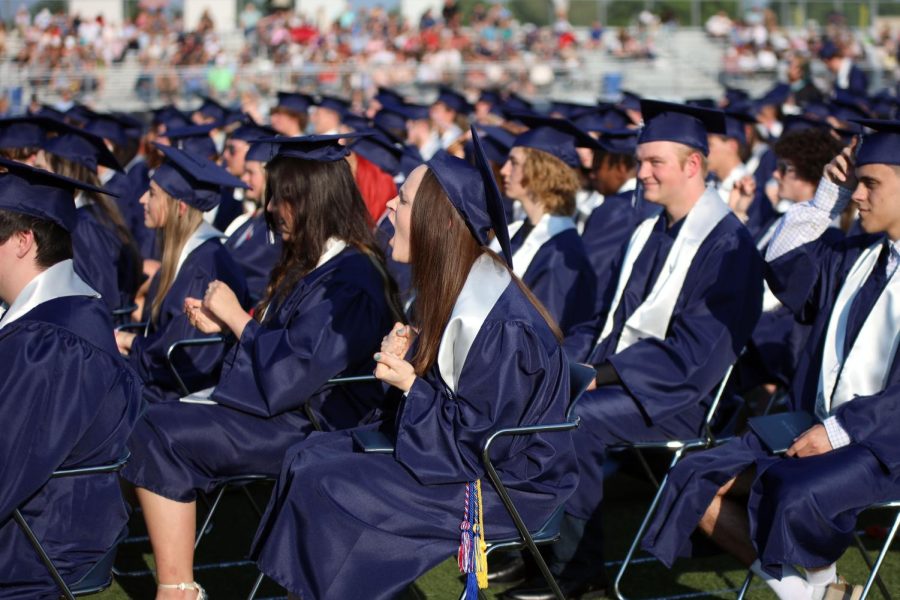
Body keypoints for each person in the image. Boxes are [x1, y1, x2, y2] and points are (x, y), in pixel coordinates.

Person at [248, 132, 578, 600]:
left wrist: (409, 385)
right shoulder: (455, 287)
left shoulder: (503, 325)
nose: (387, 209)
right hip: (461, 455)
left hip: (506, 485)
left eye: (401, 202)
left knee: (331, 484)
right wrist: (410, 366)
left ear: (437, 222)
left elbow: (483, 444)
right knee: (308, 455)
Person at [120, 133, 400, 600]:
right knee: (150, 421)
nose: (271, 209)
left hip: (315, 425)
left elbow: (295, 372)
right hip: (286, 411)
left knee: (159, 429)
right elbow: (288, 351)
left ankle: (176, 588)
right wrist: (226, 327)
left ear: (313, 201)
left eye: (283, 199)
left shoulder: (349, 278)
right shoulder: (315, 263)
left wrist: (235, 318)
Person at [506, 101, 764, 600]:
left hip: (676, 397)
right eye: (640, 161)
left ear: (692, 166)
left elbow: (695, 355)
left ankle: (579, 571)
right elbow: (603, 321)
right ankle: (536, 552)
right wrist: (566, 361)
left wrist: (600, 373)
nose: (639, 172)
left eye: (653, 163)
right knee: (534, 395)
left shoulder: (726, 246)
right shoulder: (650, 230)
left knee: (573, 419)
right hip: (628, 382)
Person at [642, 121, 900, 600]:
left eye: (870, 183)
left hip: (885, 444)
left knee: (795, 489)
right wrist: (828, 196)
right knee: (693, 473)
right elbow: (785, 266)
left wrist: (837, 432)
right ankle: (810, 595)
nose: (858, 195)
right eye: (856, 181)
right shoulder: (860, 255)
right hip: (821, 424)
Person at [0, 158, 141, 598]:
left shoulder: (53, 343)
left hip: (36, 539)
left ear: (23, 241)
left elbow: (7, 463)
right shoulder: (66, 311)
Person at [114, 144, 250, 404]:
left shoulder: (205, 267)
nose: (142, 199)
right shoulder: (185, 255)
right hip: (158, 380)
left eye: (152, 194)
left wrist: (130, 342)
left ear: (180, 208)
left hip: (177, 395)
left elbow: (184, 359)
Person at [734, 126, 844, 392]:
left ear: (810, 177)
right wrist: (738, 212)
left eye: (785, 169)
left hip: (763, 348)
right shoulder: (778, 221)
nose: (775, 174)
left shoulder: (827, 241)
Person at [496, 115, 597, 334]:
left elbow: (542, 338)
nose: (504, 170)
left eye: (513, 163)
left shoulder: (561, 253)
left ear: (540, 171)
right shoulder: (516, 233)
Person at [36, 122, 143, 313]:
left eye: (41, 167)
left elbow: (100, 297)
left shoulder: (83, 227)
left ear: (63, 171)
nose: (35, 175)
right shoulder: (96, 214)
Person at [223, 139, 282, 304]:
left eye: (251, 172)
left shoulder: (276, 226)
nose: (244, 178)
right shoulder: (252, 219)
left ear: (269, 175)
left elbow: (248, 265)